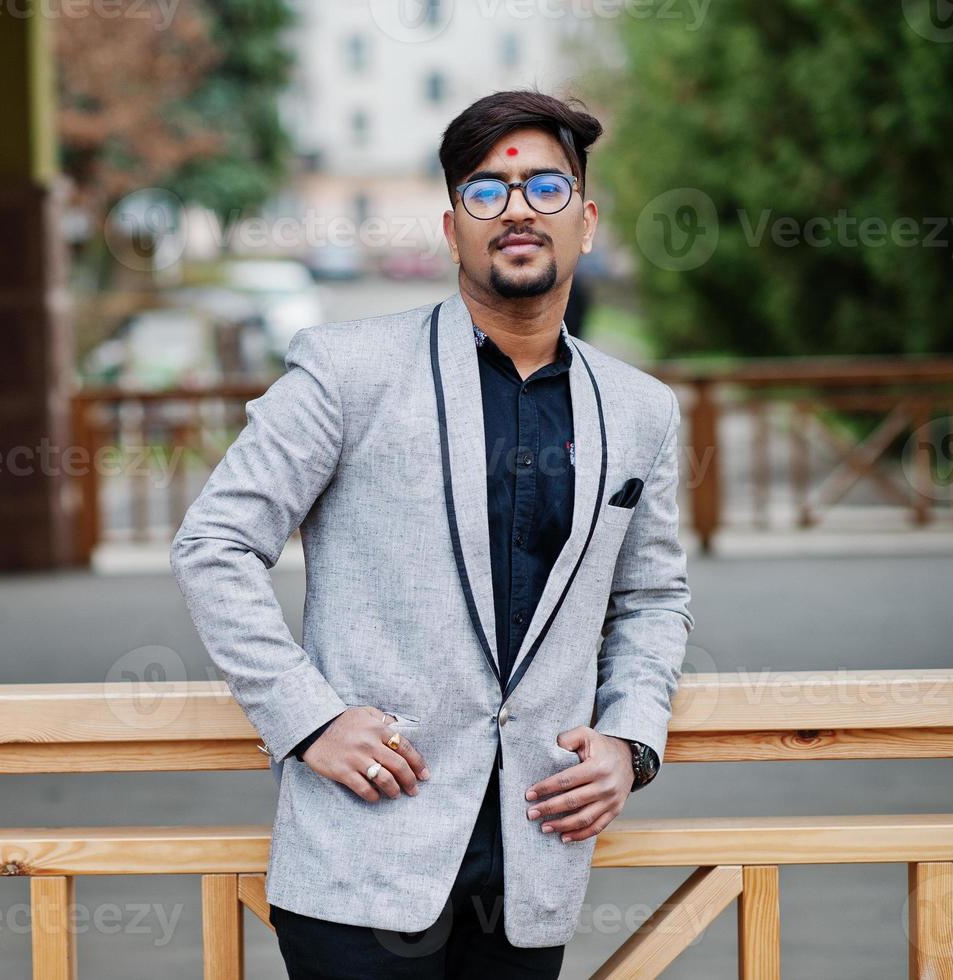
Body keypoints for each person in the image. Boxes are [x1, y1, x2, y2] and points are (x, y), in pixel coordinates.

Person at [169, 90, 692, 978]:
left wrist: (631, 739)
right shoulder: (345, 369)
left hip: (533, 856)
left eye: (545, 188)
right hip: (362, 853)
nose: (517, 208)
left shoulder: (641, 409)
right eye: (485, 191)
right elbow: (214, 543)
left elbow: (651, 596)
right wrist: (308, 719)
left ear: (587, 221)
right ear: (452, 229)